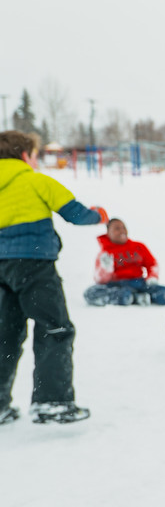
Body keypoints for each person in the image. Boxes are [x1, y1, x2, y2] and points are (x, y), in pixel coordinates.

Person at [0, 130, 109, 426]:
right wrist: (98, 214)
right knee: (54, 328)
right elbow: (75, 213)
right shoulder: (35, 180)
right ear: (26, 155)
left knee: (5, 335)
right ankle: (52, 402)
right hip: (34, 266)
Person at [83, 218, 165, 306]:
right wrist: (105, 269)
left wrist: (152, 277)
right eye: (117, 228)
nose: (122, 230)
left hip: (138, 282)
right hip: (117, 286)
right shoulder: (104, 254)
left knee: (157, 289)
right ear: (108, 232)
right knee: (91, 292)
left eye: (123, 227)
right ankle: (134, 297)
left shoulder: (138, 247)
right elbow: (100, 280)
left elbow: (152, 264)